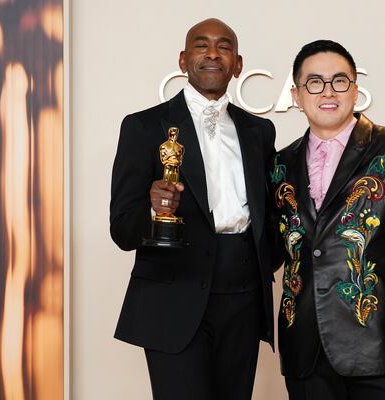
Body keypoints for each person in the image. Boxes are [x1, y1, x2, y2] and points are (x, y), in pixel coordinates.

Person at [110, 18, 276, 400]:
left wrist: (267, 260)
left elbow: (268, 215)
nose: (213, 54)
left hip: (245, 298)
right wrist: (153, 211)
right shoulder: (143, 127)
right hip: (174, 296)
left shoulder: (259, 132)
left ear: (238, 64)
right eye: (202, 46)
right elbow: (121, 228)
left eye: (224, 46)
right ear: (183, 60)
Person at [268, 40, 385, 399]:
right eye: (314, 82)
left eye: (339, 81)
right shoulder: (279, 165)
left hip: (378, 348)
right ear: (297, 96)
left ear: (355, 90)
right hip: (304, 350)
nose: (327, 91)